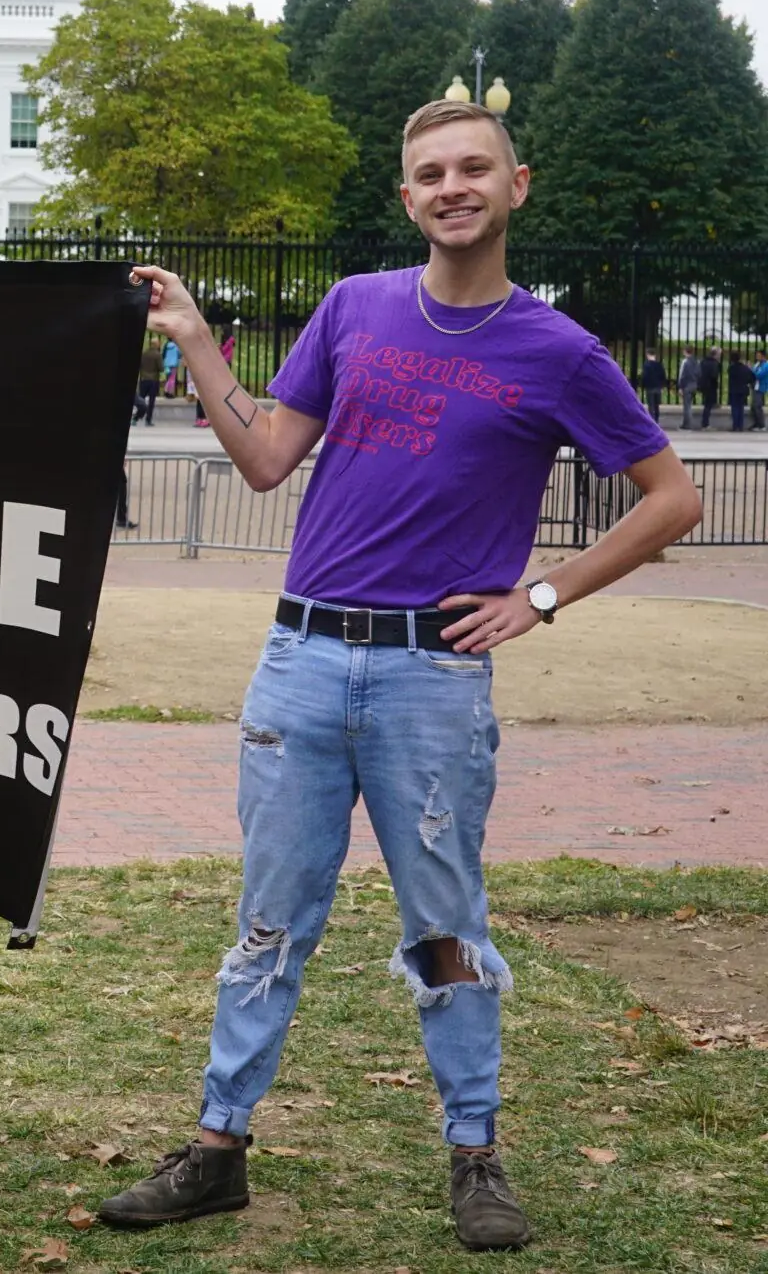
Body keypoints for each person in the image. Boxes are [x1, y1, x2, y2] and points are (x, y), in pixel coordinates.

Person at [107, 99, 700, 1252]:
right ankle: (217, 1151)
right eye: (430, 173)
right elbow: (266, 459)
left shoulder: (559, 352)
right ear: (406, 197)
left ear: (516, 185)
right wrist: (195, 339)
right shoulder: (352, 308)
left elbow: (671, 497)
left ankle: (474, 1155)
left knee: (444, 927)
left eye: (473, 168)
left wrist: (538, 598)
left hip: (432, 678)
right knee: (268, 921)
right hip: (299, 662)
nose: (451, 187)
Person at [135, 337, 164, 425]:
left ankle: (136, 418)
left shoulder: (144, 354)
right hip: (153, 380)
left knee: (140, 400)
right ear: (156, 344)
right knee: (151, 401)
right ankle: (148, 420)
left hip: (144, 379)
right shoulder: (157, 355)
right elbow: (161, 368)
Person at [730, 350, 755, 434]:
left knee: (735, 408)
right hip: (743, 390)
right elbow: (752, 377)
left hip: (734, 390)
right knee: (741, 408)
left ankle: (735, 426)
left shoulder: (731, 368)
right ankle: (740, 426)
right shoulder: (745, 368)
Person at [699, 343, 722, 430]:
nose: (720, 356)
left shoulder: (703, 361)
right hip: (711, 386)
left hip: (703, 385)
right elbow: (714, 375)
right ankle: (705, 424)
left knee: (707, 404)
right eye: (719, 354)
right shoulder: (714, 363)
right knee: (708, 406)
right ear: (716, 354)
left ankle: (705, 423)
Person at [638, 350, 666, 422]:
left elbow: (644, 376)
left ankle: (652, 420)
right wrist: (662, 385)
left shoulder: (646, 365)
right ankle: (656, 419)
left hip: (650, 387)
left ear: (647, 355)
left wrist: (642, 385)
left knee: (651, 405)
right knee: (656, 406)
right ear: (655, 355)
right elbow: (663, 376)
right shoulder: (659, 365)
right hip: (658, 387)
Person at [679, 346, 702, 429]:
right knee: (689, 405)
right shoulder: (697, 361)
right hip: (694, 385)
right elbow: (699, 374)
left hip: (686, 385)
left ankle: (687, 424)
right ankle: (687, 423)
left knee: (687, 406)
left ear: (685, 351)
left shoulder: (685, 362)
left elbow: (682, 375)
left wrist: (680, 387)